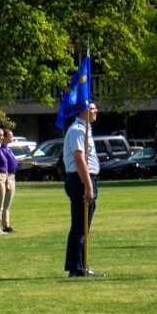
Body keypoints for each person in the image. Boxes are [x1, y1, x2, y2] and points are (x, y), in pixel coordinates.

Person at [63, 101, 101, 278]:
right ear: (83, 111)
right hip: (80, 180)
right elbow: (79, 158)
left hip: (85, 179)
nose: (95, 111)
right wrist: (88, 185)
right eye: (92, 109)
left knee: (84, 225)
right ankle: (76, 267)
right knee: (80, 225)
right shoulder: (78, 130)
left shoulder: (86, 129)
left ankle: (81, 264)